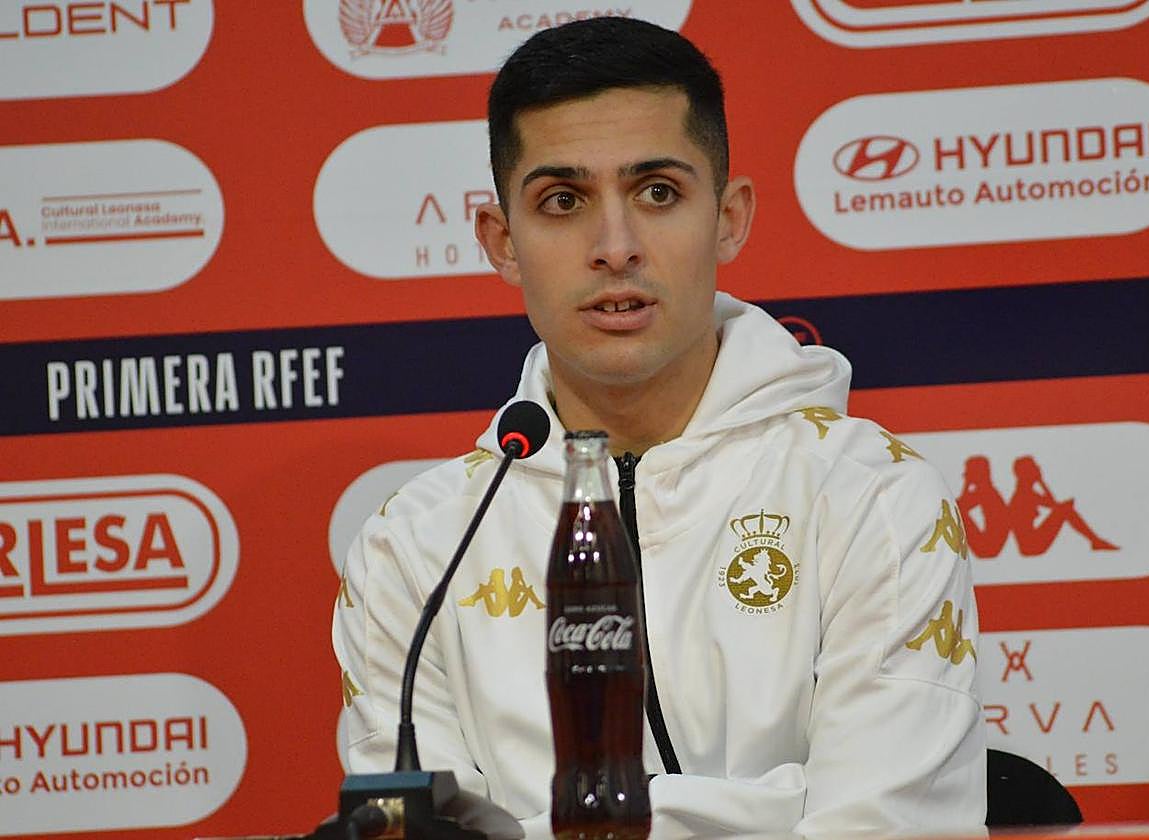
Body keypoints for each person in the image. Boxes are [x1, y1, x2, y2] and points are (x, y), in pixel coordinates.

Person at [333, 17, 984, 837]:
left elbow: (893, 828)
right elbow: (410, 830)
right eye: (563, 201)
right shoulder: (416, 551)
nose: (615, 247)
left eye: (658, 193)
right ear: (503, 242)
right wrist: (773, 809)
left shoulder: (873, 499)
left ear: (729, 217)